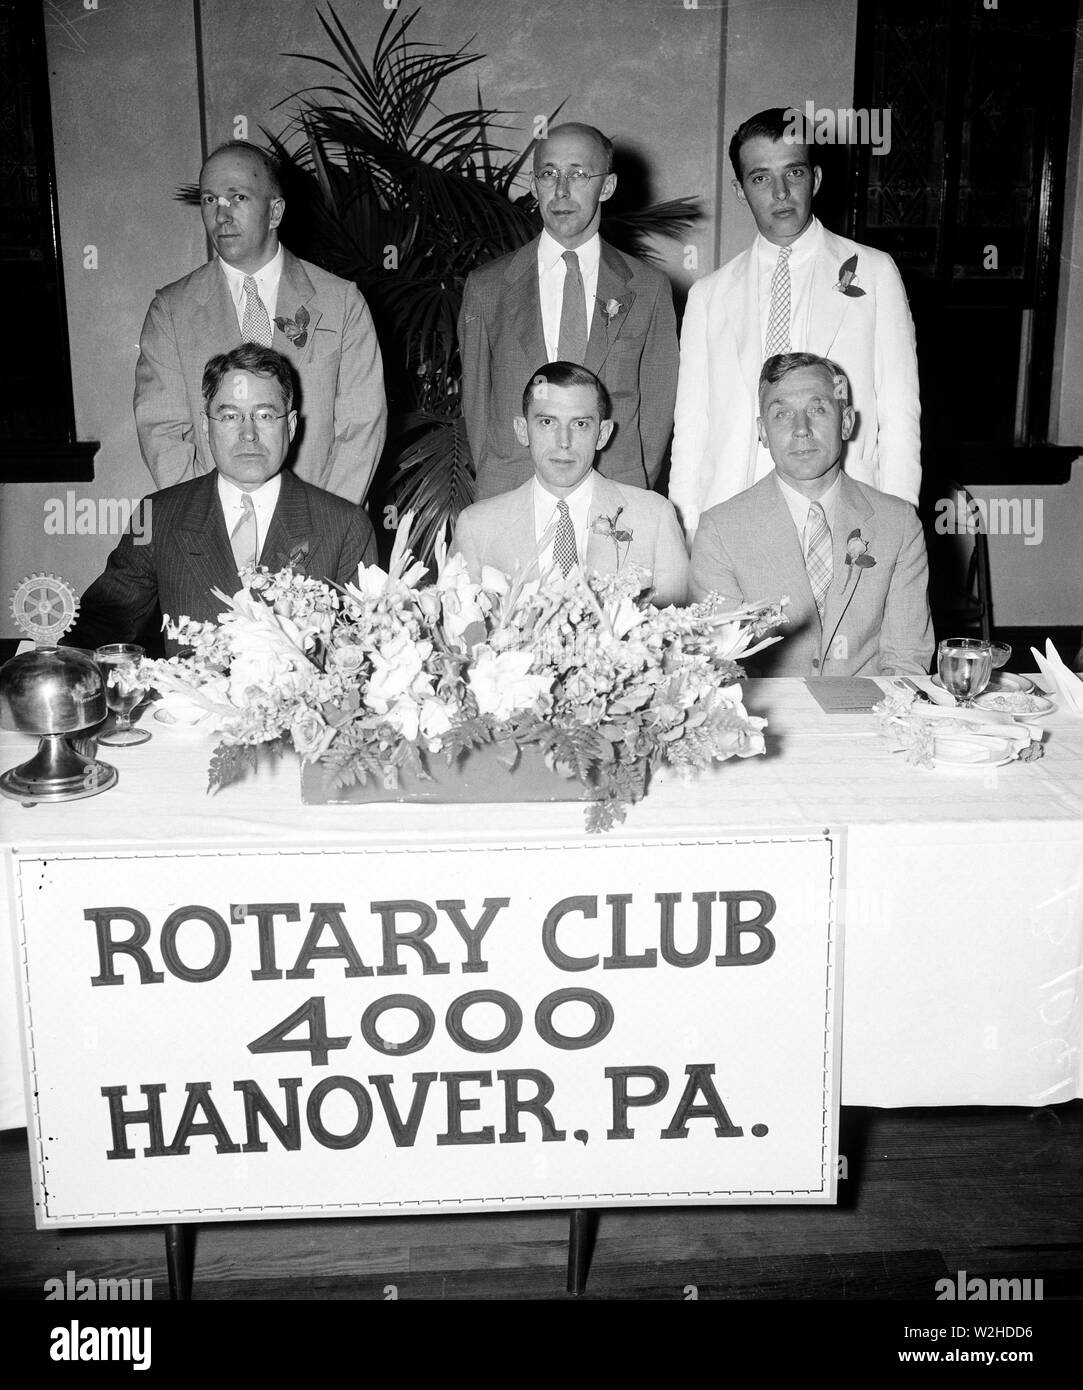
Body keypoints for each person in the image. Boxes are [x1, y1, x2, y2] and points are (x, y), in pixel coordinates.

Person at [670, 107, 920, 539]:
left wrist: (899, 526)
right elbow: (692, 428)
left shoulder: (875, 273)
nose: (781, 192)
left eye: (794, 173)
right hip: (737, 518)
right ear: (740, 189)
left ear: (816, 180)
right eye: (761, 177)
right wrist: (688, 534)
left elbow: (899, 414)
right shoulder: (708, 296)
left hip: (844, 515)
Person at [68, 345, 377, 656]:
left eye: (265, 415)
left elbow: (362, 654)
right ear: (205, 427)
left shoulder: (345, 525)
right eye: (230, 416)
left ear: (291, 426)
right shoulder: (157, 516)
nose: (248, 433)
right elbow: (102, 624)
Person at [134, 141, 386, 506]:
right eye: (209, 199)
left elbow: (361, 428)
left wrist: (324, 526)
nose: (221, 215)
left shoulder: (341, 303)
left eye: (237, 198)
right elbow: (162, 431)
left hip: (317, 527)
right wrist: (210, 522)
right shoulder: (170, 311)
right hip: (212, 535)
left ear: (275, 212)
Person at [459, 123, 678, 501]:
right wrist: (501, 481)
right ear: (533, 184)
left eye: (578, 174)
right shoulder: (487, 287)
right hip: (511, 494)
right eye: (548, 174)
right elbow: (477, 408)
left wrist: (628, 490)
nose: (561, 190)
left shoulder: (648, 288)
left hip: (615, 499)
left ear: (606, 186)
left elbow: (657, 413)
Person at [690, 352, 932, 678]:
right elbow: (720, 667)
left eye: (817, 409)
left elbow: (906, 662)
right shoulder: (719, 531)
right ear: (762, 432)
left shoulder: (899, 524)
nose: (801, 428)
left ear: (846, 422)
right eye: (782, 414)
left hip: (870, 719)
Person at [451, 361, 688, 606]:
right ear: (522, 430)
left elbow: (682, 634)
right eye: (547, 422)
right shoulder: (477, 527)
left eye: (580, 424)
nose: (564, 441)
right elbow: (460, 638)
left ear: (603, 434)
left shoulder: (654, 518)